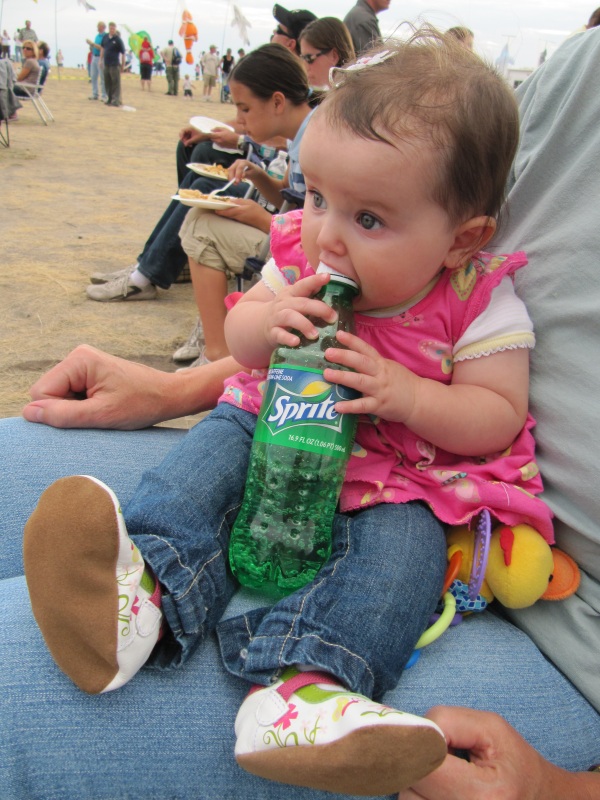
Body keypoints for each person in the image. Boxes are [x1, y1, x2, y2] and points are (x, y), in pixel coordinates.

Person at [3, 27, 600, 799]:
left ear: (464, 239)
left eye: (370, 220)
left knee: (401, 566)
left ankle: (310, 691)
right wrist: (269, 317)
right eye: (317, 197)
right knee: (210, 455)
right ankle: (141, 590)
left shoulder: (477, 300)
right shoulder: (304, 256)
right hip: (277, 432)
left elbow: (495, 413)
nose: (327, 236)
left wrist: (408, 395)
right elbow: (246, 342)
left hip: (401, 479)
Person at [177, 43, 319, 366]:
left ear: (278, 102)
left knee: (199, 228)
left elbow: (313, 228)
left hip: (299, 255)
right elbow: (288, 196)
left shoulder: (314, 141)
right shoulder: (303, 136)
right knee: (199, 218)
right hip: (287, 239)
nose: (239, 121)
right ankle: (216, 342)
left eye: (244, 109)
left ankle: (219, 355)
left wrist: (261, 220)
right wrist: (257, 176)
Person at [299, 17, 355, 88]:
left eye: (309, 58)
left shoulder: (357, 95)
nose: (305, 67)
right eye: (302, 59)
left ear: (334, 56)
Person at [100, 21, 125, 107]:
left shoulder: (118, 40)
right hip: (106, 63)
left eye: (113, 28)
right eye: (111, 28)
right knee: (107, 82)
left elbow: (123, 53)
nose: (112, 30)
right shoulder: (105, 37)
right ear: (109, 28)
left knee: (115, 83)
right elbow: (102, 48)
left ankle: (116, 100)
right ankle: (109, 99)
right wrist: (100, 60)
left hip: (114, 64)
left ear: (115, 29)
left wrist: (123, 65)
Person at [86, 21, 107, 101]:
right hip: (94, 56)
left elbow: (102, 47)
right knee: (93, 76)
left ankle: (104, 95)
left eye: (99, 26)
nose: (97, 27)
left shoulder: (105, 36)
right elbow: (95, 46)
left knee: (102, 77)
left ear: (102, 27)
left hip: (101, 57)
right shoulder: (97, 36)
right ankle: (95, 94)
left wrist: (93, 43)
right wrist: (91, 44)